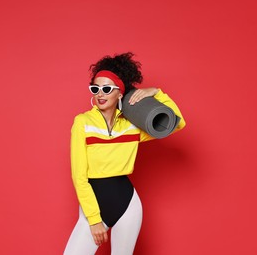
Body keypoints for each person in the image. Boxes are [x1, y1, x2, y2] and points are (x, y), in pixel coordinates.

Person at [64, 52, 186, 255]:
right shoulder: (82, 123)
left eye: (106, 89)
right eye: (95, 89)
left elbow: (177, 123)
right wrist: (94, 220)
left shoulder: (131, 127)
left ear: (120, 93)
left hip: (128, 204)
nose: (100, 94)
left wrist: (156, 92)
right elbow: (79, 176)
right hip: (94, 203)